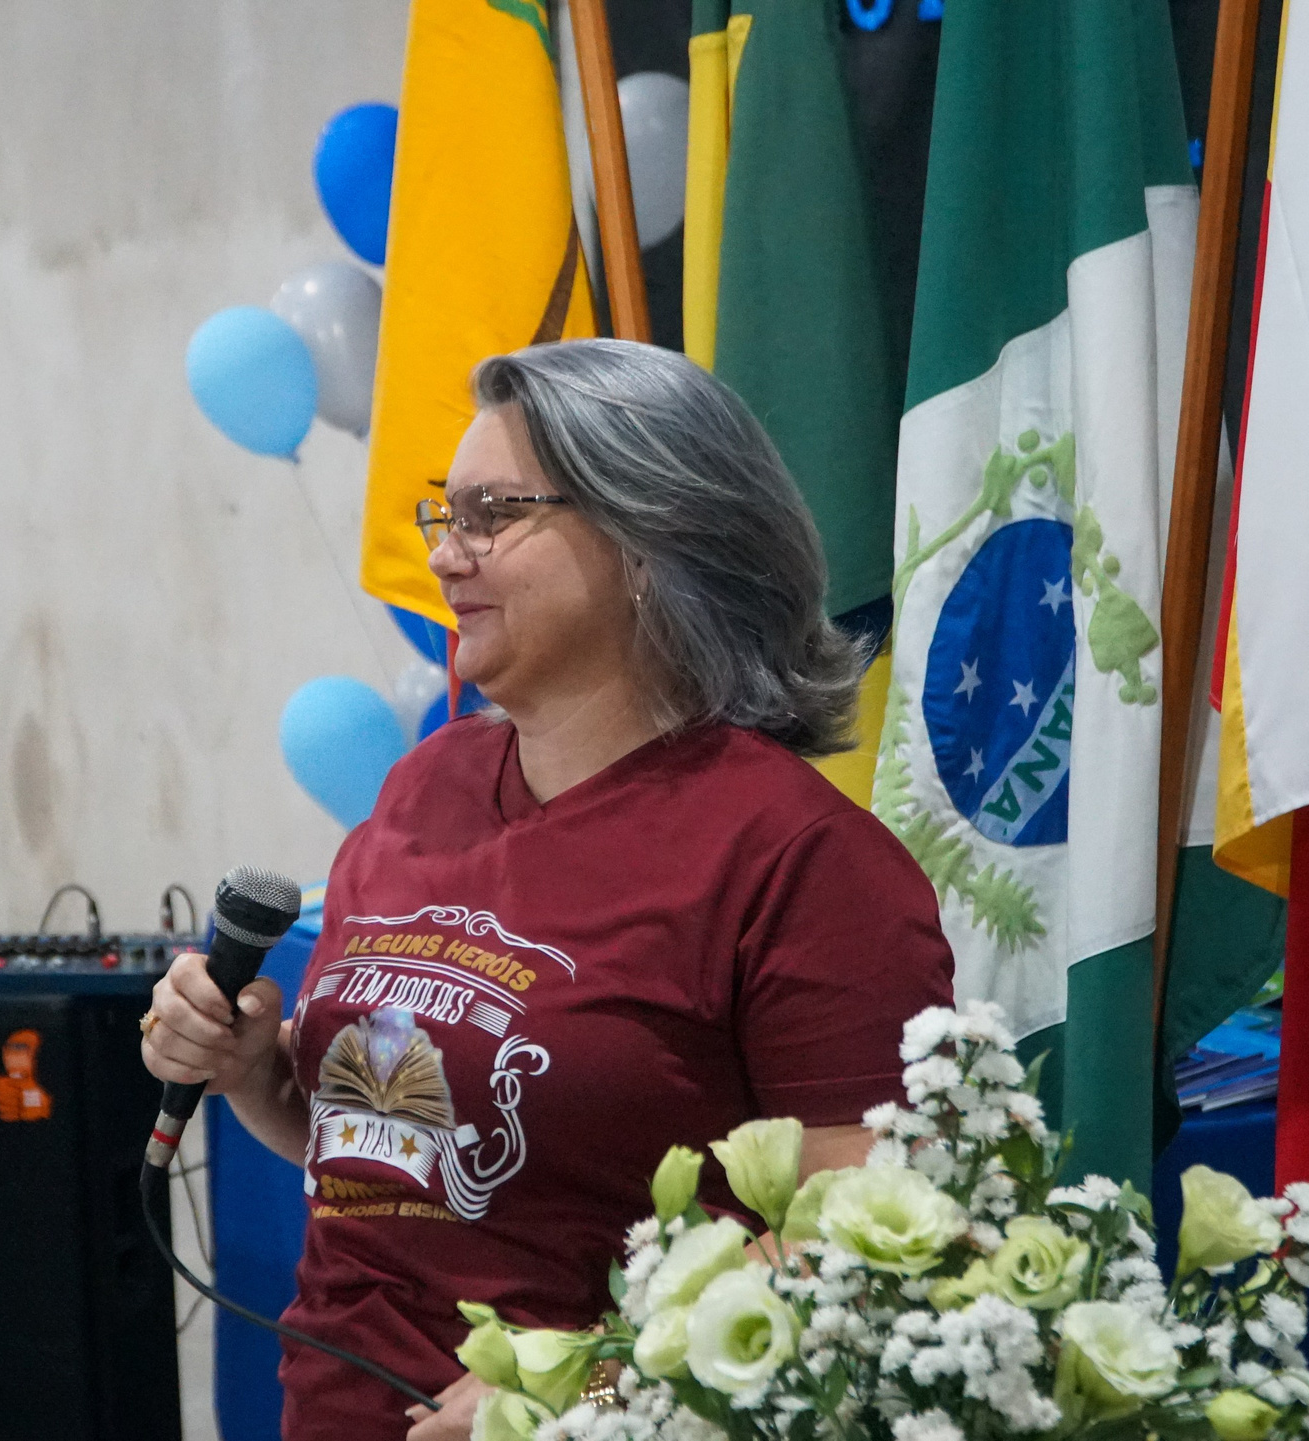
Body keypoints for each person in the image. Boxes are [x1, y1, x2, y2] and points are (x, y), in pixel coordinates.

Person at [142, 340, 954, 1440]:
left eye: (491, 514)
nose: (444, 556)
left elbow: (865, 1248)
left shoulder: (799, 861)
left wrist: (593, 1387)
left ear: (645, 541)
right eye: (445, 514)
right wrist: (255, 1077)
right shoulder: (428, 783)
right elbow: (411, 1152)